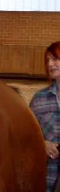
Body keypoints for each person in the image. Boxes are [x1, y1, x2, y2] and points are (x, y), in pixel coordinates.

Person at [30, 41, 60, 192]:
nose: (50, 64)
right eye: (47, 60)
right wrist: (43, 144)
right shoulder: (39, 99)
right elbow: (27, 135)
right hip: (47, 178)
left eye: (55, 59)